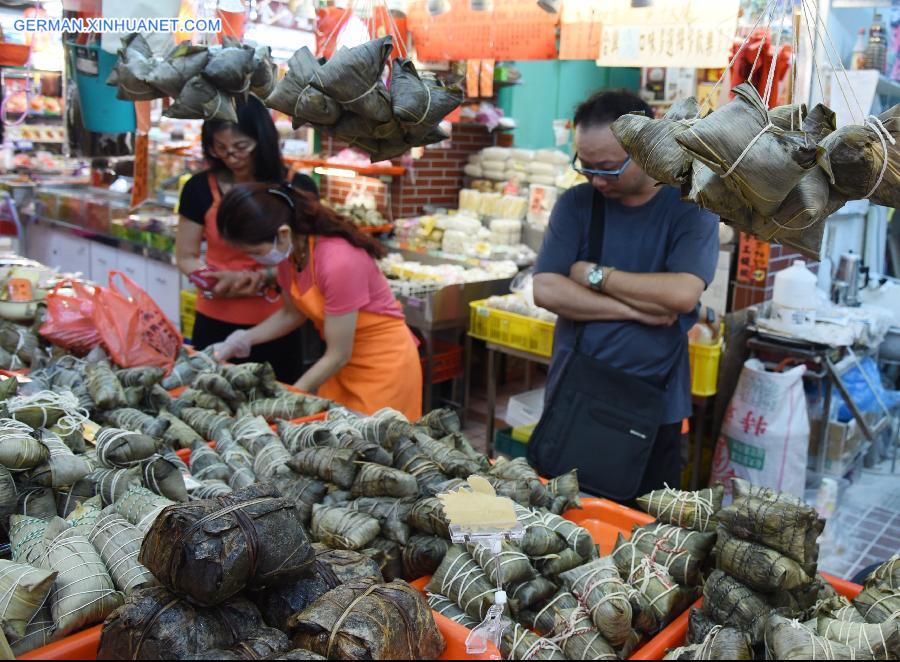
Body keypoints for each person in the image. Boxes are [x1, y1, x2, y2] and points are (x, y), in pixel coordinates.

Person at [533, 90, 720, 498]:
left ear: (646, 148)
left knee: (644, 534)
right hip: (575, 397)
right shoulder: (576, 204)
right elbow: (546, 289)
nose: (597, 181)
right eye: (586, 168)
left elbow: (682, 294)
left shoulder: (691, 207)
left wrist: (594, 275)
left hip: (654, 408)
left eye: (608, 169)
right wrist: (637, 311)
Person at [212, 183, 423, 421]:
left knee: (373, 446)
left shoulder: (337, 261)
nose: (253, 259)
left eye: (254, 251)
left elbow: (338, 354)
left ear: (283, 233)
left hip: (382, 366)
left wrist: (291, 395)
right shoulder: (290, 254)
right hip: (339, 364)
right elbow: (291, 313)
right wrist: (244, 339)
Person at [175, 95, 304, 383]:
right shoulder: (199, 188)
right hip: (215, 318)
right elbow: (185, 256)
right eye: (220, 148)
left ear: (262, 139)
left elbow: (306, 260)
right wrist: (211, 280)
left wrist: (267, 276)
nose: (231, 156)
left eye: (241, 146)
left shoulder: (294, 186)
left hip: (279, 322)